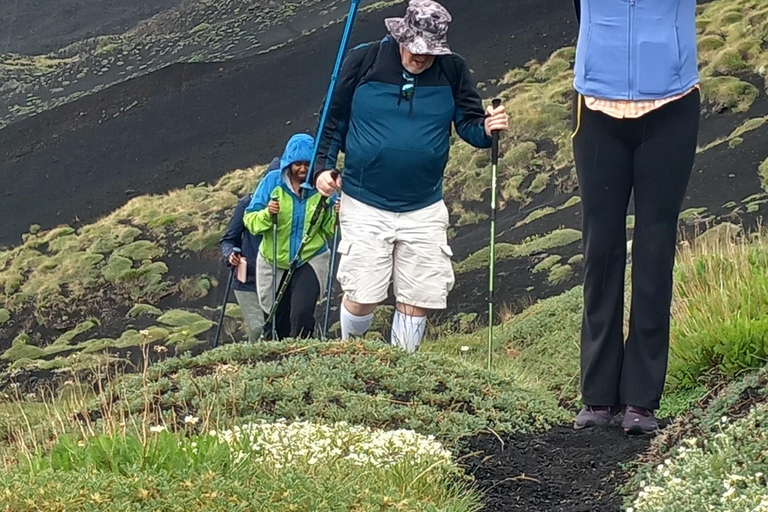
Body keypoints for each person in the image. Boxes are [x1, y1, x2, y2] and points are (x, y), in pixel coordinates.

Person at [312, 0, 508, 353]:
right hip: (364, 200)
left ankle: (402, 365)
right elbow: (333, 119)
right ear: (401, 36)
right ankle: (350, 354)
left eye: (428, 51)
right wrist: (322, 169)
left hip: (423, 206)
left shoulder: (452, 69)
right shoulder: (364, 60)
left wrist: (488, 129)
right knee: (362, 293)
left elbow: (468, 123)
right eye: (415, 48)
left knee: (418, 294)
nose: (420, 57)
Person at [570, 0, 700, 434]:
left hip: (673, 105)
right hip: (596, 107)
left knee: (654, 248)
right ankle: (598, 397)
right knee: (600, 247)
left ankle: (641, 402)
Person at [244, 133, 338, 340]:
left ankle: (302, 357)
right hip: (273, 259)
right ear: (288, 163)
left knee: (302, 314)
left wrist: (336, 214)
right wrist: (268, 214)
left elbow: (328, 230)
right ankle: (277, 361)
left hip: (310, 257)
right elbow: (250, 220)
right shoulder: (272, 182)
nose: (303, 169)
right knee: (276, 319)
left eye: (307, 163)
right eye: (297, 164)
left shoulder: (323, 187)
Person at [219, 157, 281, 342]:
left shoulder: (295, 206)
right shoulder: (248, 204)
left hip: (279, 280)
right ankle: (255, 367)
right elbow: (229, 239)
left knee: (278, 330)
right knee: (257, 329)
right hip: (249, 281)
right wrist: (231, 255)